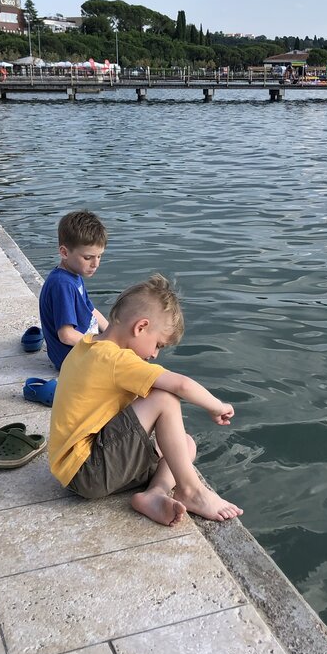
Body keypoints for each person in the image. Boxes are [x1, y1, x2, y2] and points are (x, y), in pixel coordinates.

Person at [48, 274, 243, 526]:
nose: (154, 354)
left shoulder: (87, 346)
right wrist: (218, 406)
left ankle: (155, 493)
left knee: (185, 444)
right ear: (140, 327)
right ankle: (192, 491)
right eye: (158, 344)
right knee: (165, 398)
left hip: (79, 470)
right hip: (88, 470)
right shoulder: (115, 360)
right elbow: (180, 384)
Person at [38, 210, 110, 370]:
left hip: (84, 345)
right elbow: (66, 335)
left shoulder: (73, 275)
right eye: (88, 257)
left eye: (99, 256)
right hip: (71, 359)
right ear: (64, 252)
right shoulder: (62, 285)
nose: (96, 264)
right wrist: (102, 344)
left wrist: (112, 333)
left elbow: (91, 310)